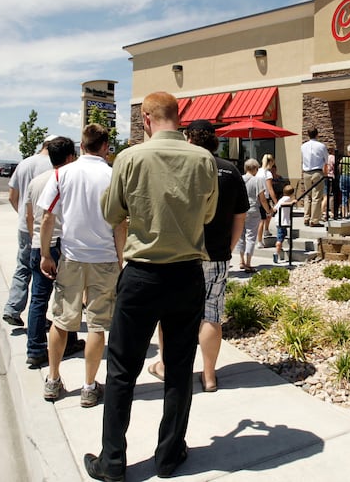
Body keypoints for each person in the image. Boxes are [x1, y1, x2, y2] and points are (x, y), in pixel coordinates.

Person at [84, 92, 217, 481]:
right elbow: (207, 213)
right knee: (179, 368)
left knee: (123, 369)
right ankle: (169, 454)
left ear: (145, 118)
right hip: (186, 273)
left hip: (142, 273)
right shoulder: (203, 159)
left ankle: (112, 463)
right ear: (179, 117)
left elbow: (111, 212)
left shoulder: (129, 158)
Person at [147, 119, 247, 393]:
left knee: (171, 314)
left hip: (180, 254)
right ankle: (210, 375)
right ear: (215, 141)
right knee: (211, 314)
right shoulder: (230, 170)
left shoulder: (181, 166)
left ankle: (166, 366)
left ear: (189, 139)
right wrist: (230, 246)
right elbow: (240, 215)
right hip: (216, 254)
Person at [38, 124, 125, 408]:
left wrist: (45, 253)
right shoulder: (113, 176)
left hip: (72, 257)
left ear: (82, 145)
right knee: (97, 325)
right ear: (105, 146)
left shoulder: (63, 174)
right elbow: (120, 223)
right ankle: (89, 385)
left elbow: (48, 217)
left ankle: (53, 379)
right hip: (104, 258)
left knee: (62, 320)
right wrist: (121, 257)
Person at [24, 136, 82, 368]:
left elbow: (30, 216)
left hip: (38, 244)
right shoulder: (68, 180)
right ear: (69, 157)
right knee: (68, 298)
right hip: (60, 244)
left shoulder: (36, 181)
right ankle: (67, 343)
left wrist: (36, 241)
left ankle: (35, 349)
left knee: (38, 299)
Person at [2, 135, 58, 326]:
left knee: (22, 266)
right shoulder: (53, 166)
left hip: (24, 226)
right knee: (42, 273)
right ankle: (38, 316)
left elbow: (12, 196)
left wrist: (23, 215)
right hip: (44, 226)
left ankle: (13, 308)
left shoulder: (24, 163)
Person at [237, 158, 266, 272]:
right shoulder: (257, 180)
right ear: (255, 168)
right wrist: (268, 210)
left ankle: (241, 261)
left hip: (240, 210)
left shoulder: (239, 179)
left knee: (240, 236)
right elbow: (262, 198)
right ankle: (248, 263)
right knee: (250, 236)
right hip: (253, 209)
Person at [300, 128, 328, 226]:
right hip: (317, 171)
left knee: (308, 195)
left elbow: (303, 159)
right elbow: (326, 160)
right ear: (317, 134)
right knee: (316, 196)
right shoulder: (321, 146)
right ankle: (314, 220)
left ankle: (306, 217)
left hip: (306, 172)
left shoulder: (303, 146)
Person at [255, 153, 278, 247]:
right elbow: (270, 189)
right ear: (271, 162)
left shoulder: (258, 171)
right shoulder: (267, 173)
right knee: (262, 219)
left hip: (256, 197)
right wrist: (276, 201)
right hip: (264, 197)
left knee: (268, 214)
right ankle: (259, 241)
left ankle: (266, 230)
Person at [273, 184, 296, 264]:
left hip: (279, 220)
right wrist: (291, 203)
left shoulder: (281, 198)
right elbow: (282, 205)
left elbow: (275, 208)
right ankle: (276, 252)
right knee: (280, 237)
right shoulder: (287, 199)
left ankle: (279, 248)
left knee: (283, 234)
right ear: (292, 193)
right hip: (282, 221)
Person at [321, 146, 336, 220]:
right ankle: (332, 212)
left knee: (325, 196)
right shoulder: (333, 158)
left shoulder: (325, 158)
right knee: (331, 196)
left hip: (325, 177)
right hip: (331, 178)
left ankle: (323, 212)